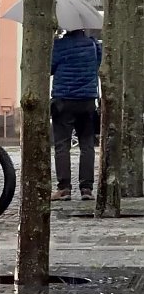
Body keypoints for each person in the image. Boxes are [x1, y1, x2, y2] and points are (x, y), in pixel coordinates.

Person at [50, 29, 101, 201]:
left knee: (62, 145)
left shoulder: (59, 45)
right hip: (87, 101)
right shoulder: (94, 45)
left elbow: (49, 68)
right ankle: (86, 189)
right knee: (87, 145)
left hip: (63, 100)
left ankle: (64, 189)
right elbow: (98, 64)